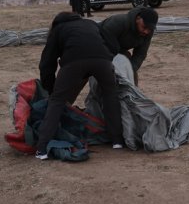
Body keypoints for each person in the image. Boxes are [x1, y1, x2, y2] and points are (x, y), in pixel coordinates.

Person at [35, 12, 123, 159]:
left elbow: (47, 63)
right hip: (102, 62)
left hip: (73, 63)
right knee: (110, 96)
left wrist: (50, 90)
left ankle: (42, 149)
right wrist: (106, 57)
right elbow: (113, 44)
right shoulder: (91, 24)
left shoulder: (58, 29)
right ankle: (117, 141)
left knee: (56, 101)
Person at [100, 7, 158, 85]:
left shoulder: (148, 33)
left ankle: (132, 94)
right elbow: (104, 43)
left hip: (118, 49)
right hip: (98, 45)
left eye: (150, 29)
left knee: (129, 70)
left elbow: (140, 54)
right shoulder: (119, 22)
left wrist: (129, 70)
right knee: (104, 76)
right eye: (144, 27)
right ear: (138, 18)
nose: (146, 31)